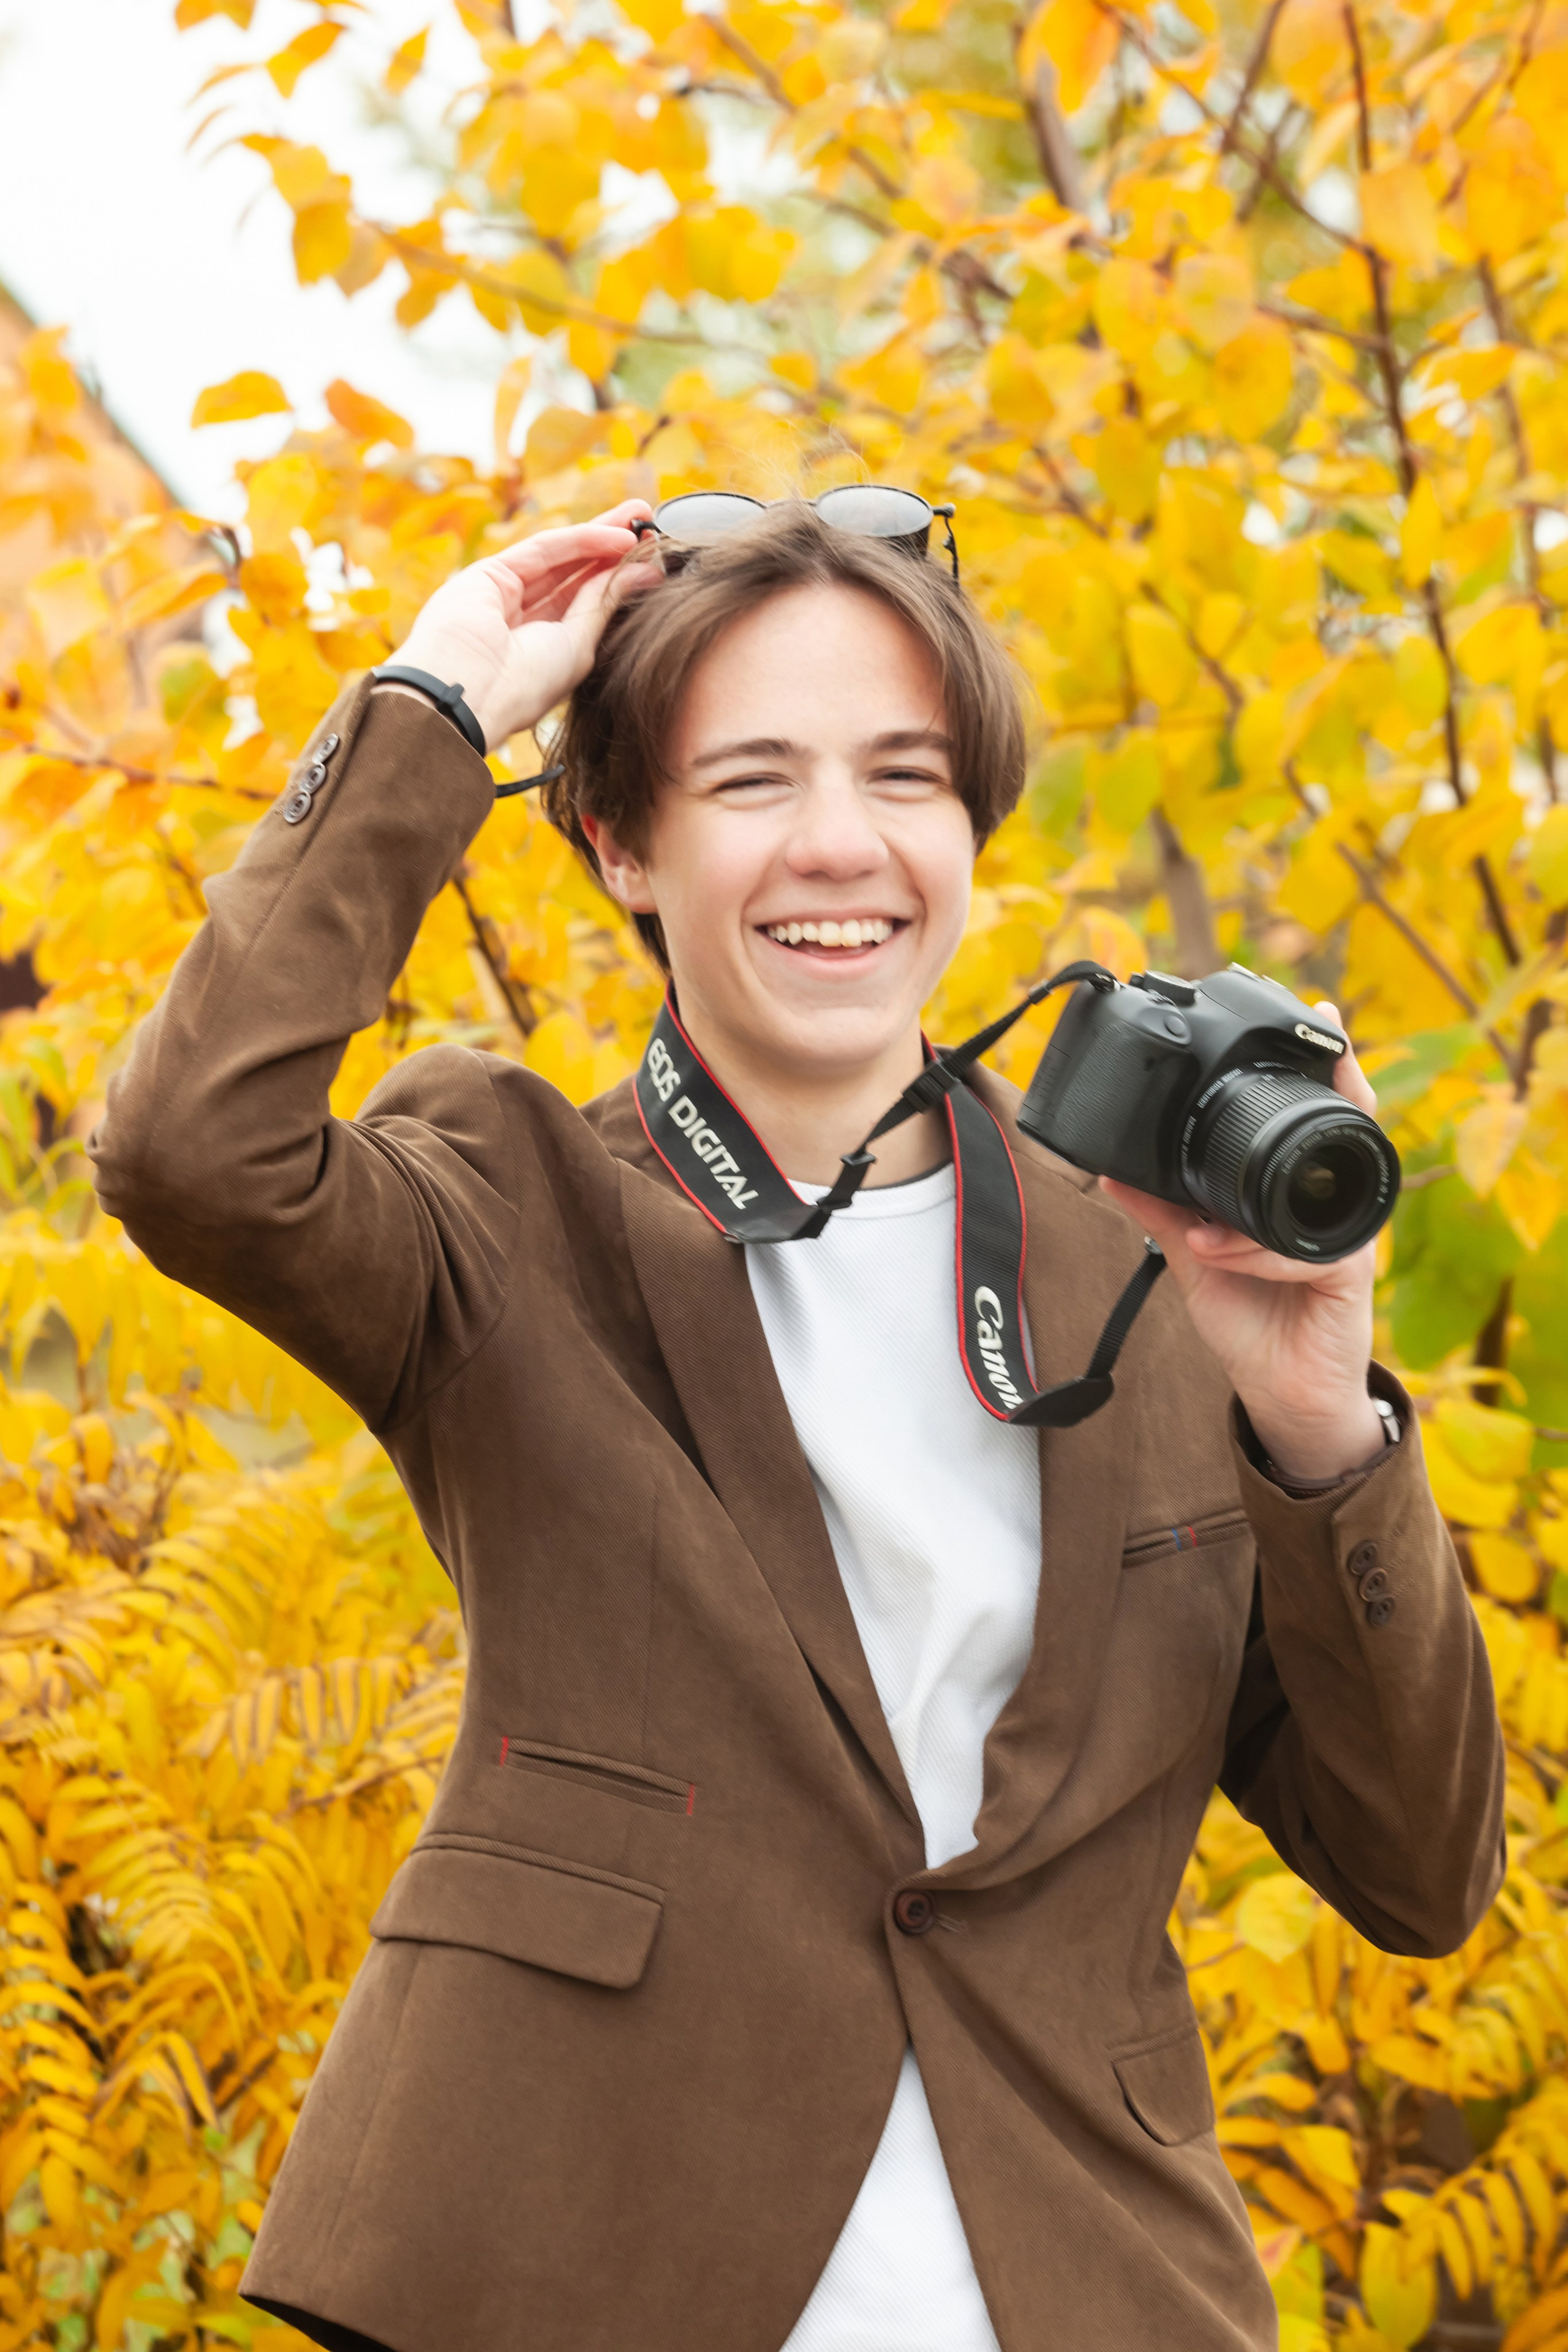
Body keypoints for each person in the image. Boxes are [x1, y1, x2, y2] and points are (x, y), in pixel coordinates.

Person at [89, 494, 1504, 2352]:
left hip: (1084, 2280)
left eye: (905, 775)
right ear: (621, 841)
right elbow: (190, 1152)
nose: (842, 843)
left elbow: (1418, 1877)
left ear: (970, 826)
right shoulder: (511, 1210)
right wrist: (436, 707)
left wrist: (1323, 1429)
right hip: (581, 2273)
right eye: (752, 780)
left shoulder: (1154, 1268)